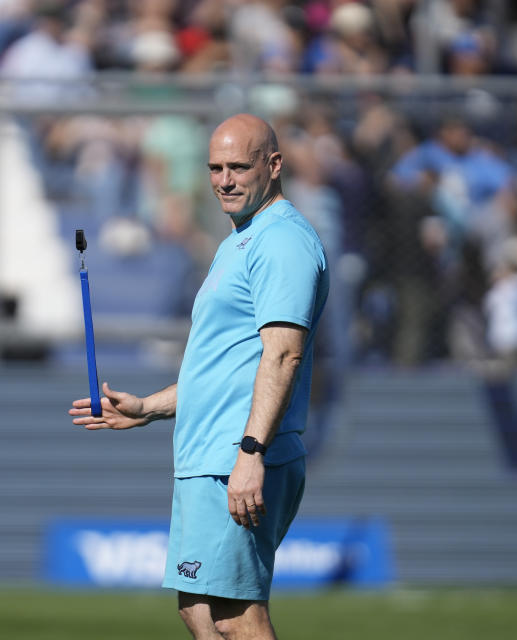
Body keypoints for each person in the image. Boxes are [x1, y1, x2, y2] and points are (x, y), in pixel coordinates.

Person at [70, 113, 329, 640]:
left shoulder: (282, 241)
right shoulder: (239, 239)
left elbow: (283, 356)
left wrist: (250, 453)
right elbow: (221, 366)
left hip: (236, 457)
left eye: (238, 166)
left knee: (237, 617)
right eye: (215, 168)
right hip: (207, 455)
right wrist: (147, 408)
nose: (224, 181)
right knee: (199, 611)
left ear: (273, 165)